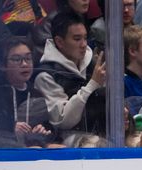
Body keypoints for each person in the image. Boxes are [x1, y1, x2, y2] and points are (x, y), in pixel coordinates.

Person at [0, 36, 55, 147]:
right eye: (17, 59)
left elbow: (50, 131)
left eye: (28, 58)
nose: (25, 64)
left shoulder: (36, 95)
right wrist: (10, 129)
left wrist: (41, 133)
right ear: (3, 65)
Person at [34, 12, 106, 143]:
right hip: (65, 138)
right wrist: (93, 84)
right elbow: (63, 121)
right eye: (77, 39)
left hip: (101, 128)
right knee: (98, 145)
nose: (84, 44)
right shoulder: (46, 75)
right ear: (60, 42)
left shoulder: (92, 62)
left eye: (85, 38)